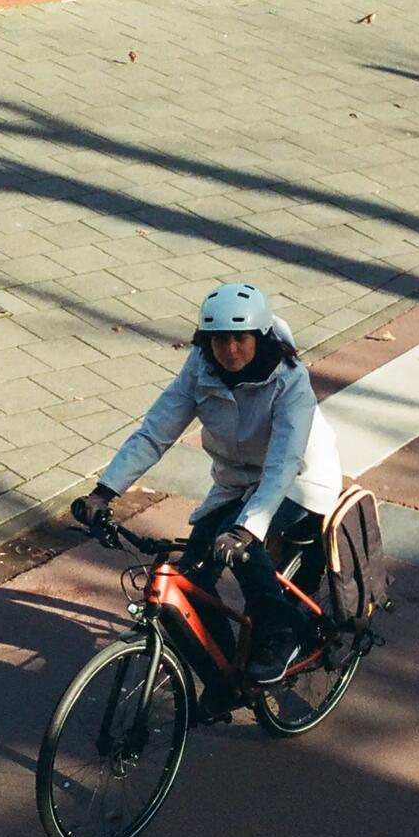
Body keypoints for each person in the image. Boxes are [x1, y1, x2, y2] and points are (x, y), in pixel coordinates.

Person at [72, 283, 343, 686]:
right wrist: (105, 491)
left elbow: (284, 463)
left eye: (240, 339)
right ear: (206, 341)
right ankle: (226, 675)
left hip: (300, 479)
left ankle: (284, 630)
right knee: (194, 576)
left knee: (244, 553)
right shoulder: (200, 368)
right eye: (220, 341)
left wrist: (247, 529)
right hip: (237, 481)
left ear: (260, 337)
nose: (230, 350)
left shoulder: (290, 381)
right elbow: (155, 432)